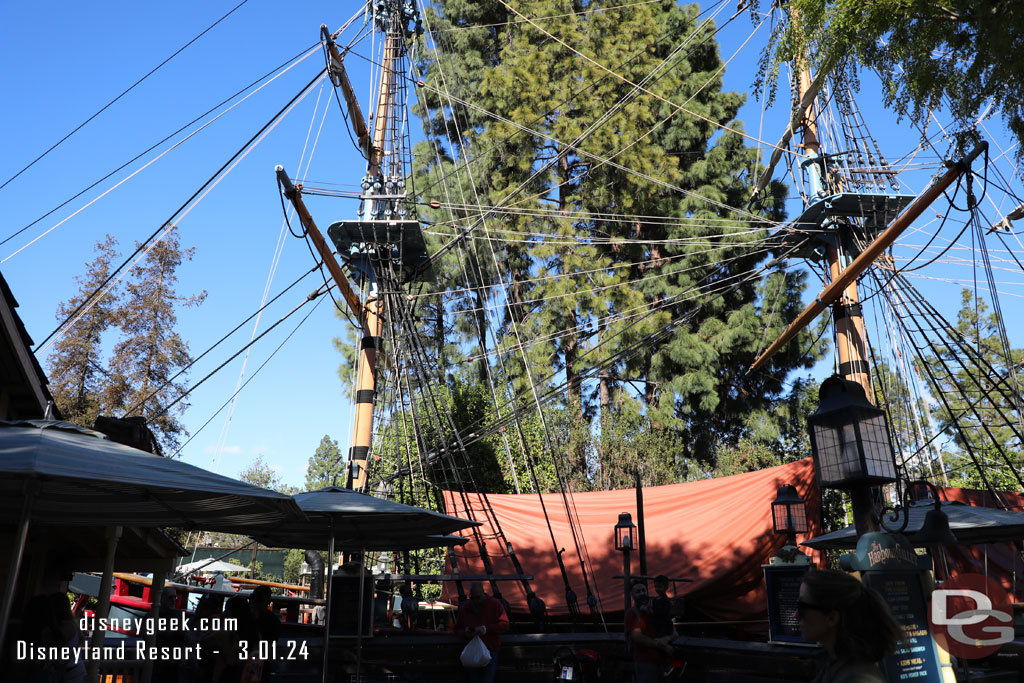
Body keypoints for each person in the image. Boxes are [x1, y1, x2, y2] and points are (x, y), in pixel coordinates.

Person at [799, 569, 904, 683]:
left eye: (802, 607)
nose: (795, 615)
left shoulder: (858, 678)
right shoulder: (835, 664)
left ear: (832, 618)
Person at [454, 581, 510, 683]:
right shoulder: (466, 608)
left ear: (483, 593)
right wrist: (465, 632)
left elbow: (505, 625)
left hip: (490, 649)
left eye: (478, 597)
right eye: (473, 598)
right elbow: (457, 629)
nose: (475, 600)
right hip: (473, 650)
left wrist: (486, 629)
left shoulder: (494, 604)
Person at [625, 581, 673, 683]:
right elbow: (637, 637)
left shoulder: (655, 609)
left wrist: (666, 639)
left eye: (643, 590)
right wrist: (661, 645)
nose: (642, 593)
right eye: (638, 591)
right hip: (645, 662)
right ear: (632, 595)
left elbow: (673, 632)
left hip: (662, 661)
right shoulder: (631, 613)